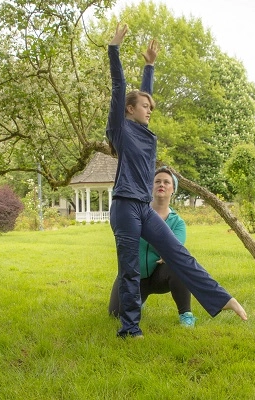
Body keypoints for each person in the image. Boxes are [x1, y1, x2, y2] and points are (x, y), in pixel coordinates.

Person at [106, 23, 247, 339]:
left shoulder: (143, 131)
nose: (150, 110)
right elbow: (119, 87)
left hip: (143, 207)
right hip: (126, 207)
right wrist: (114, 48)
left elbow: (146, 95)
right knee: (128, 270)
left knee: (179, 254)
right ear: (129, 110)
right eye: (144, 107)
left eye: (151, 107)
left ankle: (222, 299)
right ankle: (130, 329)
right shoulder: (120, 129)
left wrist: (150, 66)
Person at [108, 167, 197, 327]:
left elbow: (174, 250)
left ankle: (186, 314)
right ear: (150, 186)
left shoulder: (178, 223)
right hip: (132, 276)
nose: (161, 184)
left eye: (166, 182)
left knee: (178, 263)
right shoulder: (135, 214)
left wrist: (168, 254)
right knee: (115, 314)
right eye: (157, 181)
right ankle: (138, 301)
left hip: (159, 276)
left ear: (173, 190)